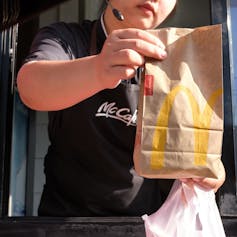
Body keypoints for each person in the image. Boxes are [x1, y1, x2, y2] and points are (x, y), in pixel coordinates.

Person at [17, 0, 225, 217]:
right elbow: (30, 87)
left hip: (148, 225)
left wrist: (206, 171)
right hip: (67, 222)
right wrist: (98, 70)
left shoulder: (181, 63)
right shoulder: (67, 39)